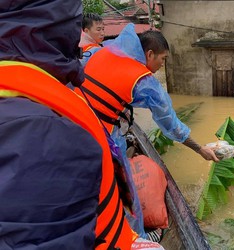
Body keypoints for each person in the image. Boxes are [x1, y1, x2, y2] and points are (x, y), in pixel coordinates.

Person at [0, 1, 163, 249]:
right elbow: (168, 119)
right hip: (106, 137)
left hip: (99, 134)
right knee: (125, 187)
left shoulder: (97, 57)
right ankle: (137, 231)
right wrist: (201, 149)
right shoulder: (41, 132)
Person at [75, 22, 219, 240]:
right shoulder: (144, 81)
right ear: (150, 54)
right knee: (127, 192)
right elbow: (171, 125)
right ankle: (137, 238)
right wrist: (200, 149)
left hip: (72, 124)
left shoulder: (101, 52)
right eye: (163, 59)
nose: (162, 65)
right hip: (98, 137)